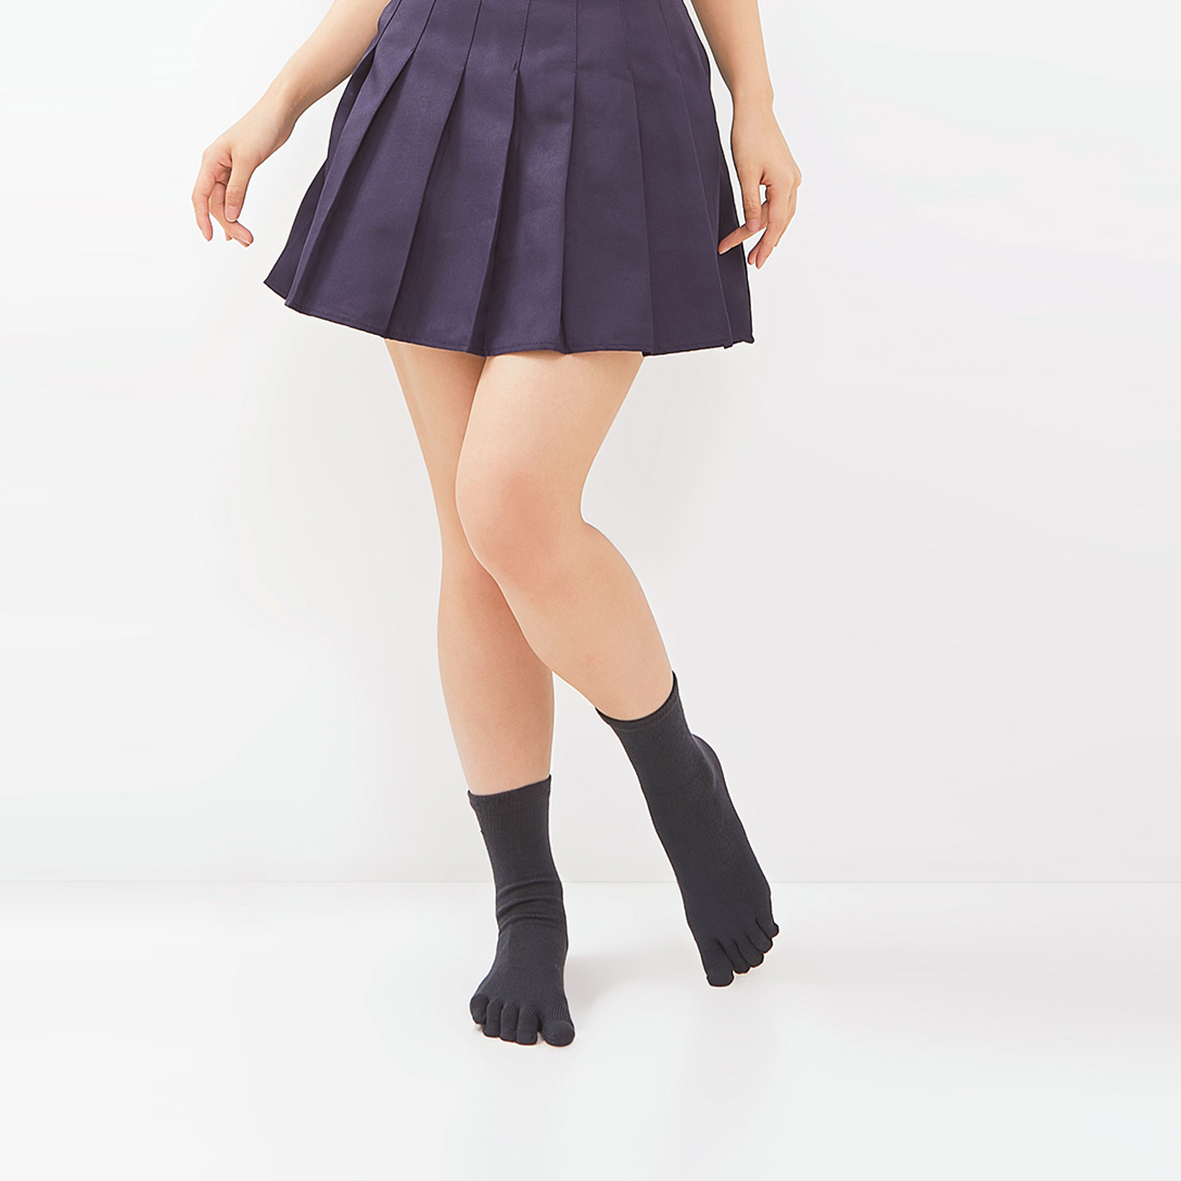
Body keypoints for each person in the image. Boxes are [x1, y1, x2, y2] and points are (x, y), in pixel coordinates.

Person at [192, 0, 801, 1048]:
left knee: (511, 502)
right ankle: (527, 904)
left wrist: (756, 100)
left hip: (615, 89)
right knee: (473, 543)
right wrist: (275, 106)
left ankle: (679, 780)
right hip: (437, 84)